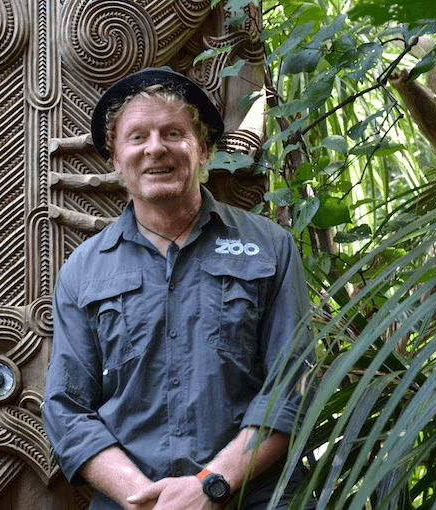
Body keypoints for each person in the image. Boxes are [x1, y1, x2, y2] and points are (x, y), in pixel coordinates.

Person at [42, 67, 314, 510]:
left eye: (173, 132)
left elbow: (292, 385)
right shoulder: (83, 271)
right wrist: (143, 498)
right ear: (116, 159)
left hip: (252, 497)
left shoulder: (270, 248)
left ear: (202, 150)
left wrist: (211, 485)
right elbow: (66, 409)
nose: (155, 148)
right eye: (137, 137)